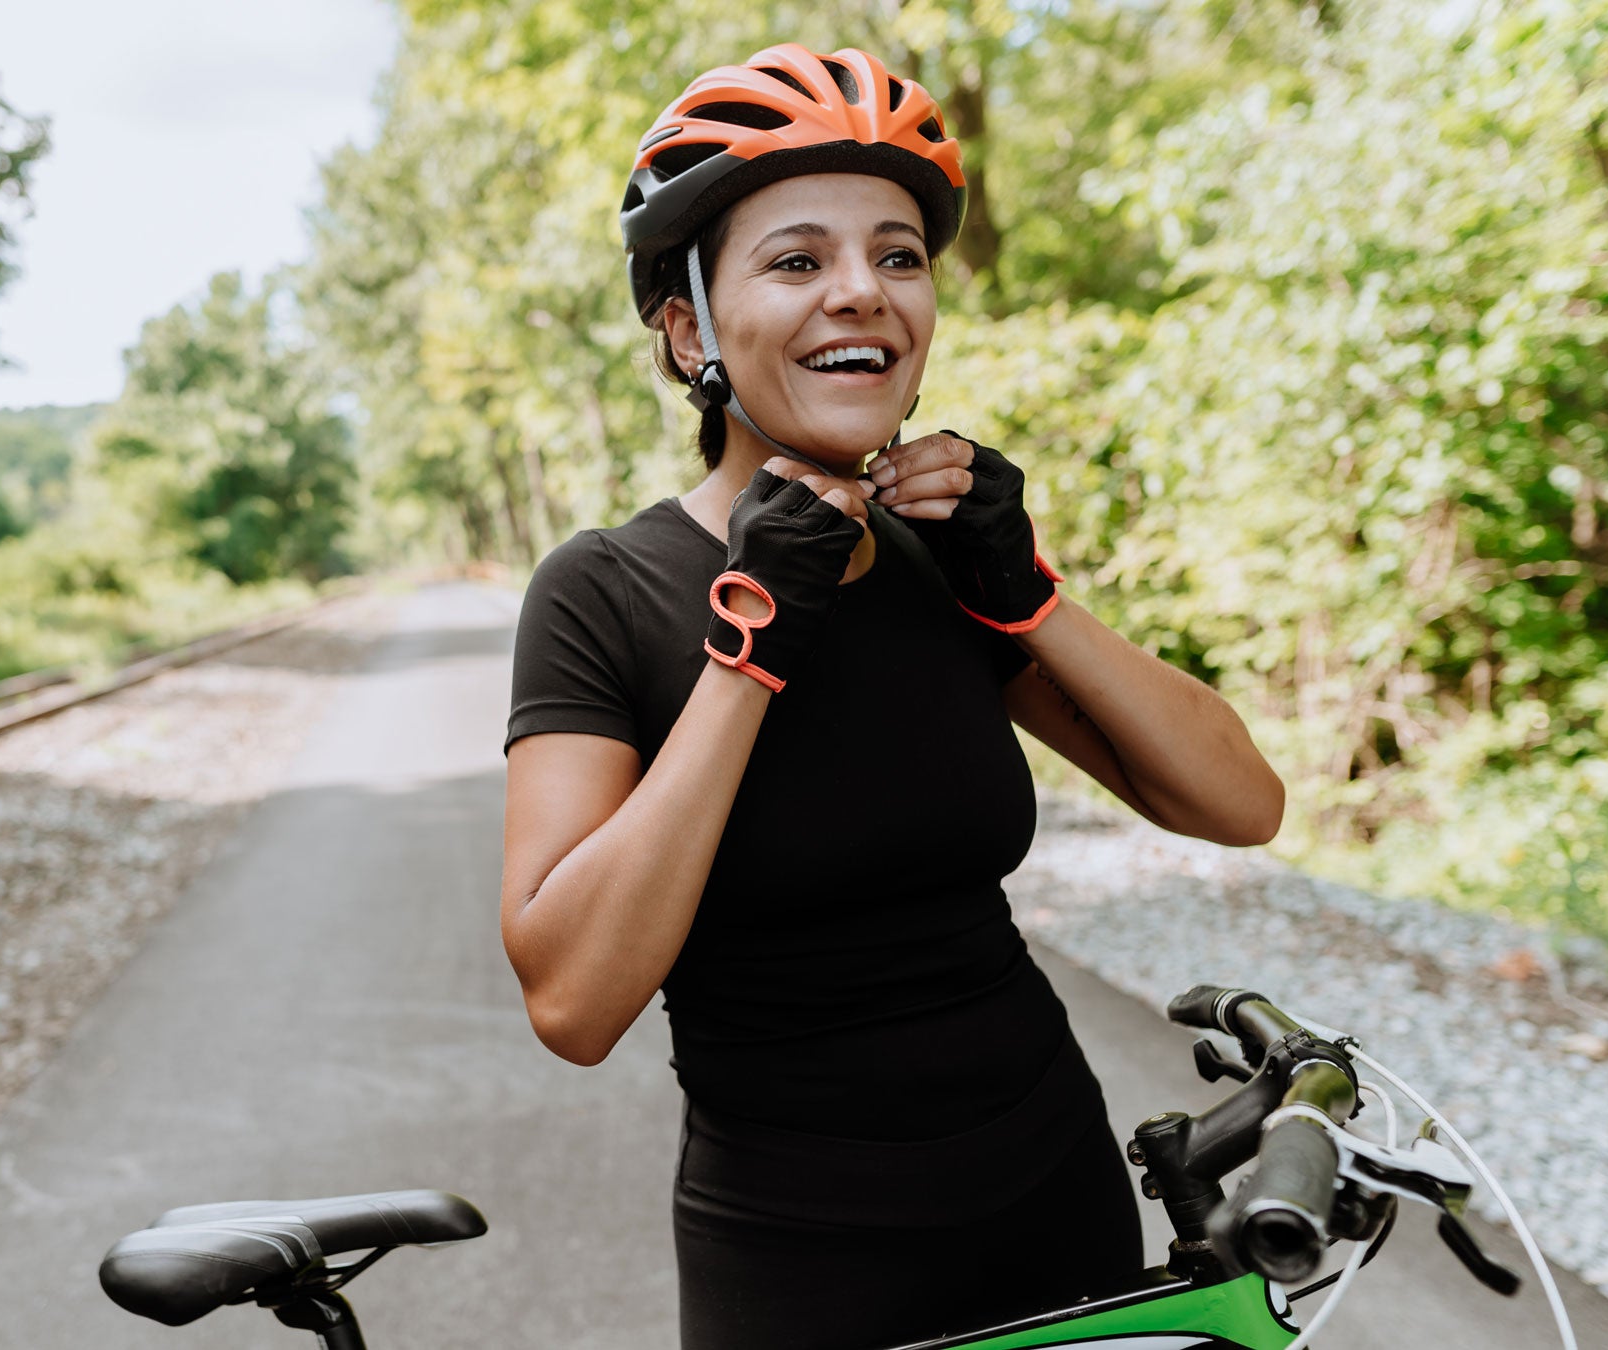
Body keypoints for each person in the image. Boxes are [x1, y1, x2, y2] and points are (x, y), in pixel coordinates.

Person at [498, 43, 1286, 1350]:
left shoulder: (945, 553)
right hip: (803, 1258)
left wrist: (1025, 595)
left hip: (1057, 1197)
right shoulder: (604, 590)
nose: (860, 290)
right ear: (690, 327)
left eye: (899, 254)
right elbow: (573, 1002)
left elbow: (1238, 801)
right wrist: (751, 640)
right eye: (797, 260)